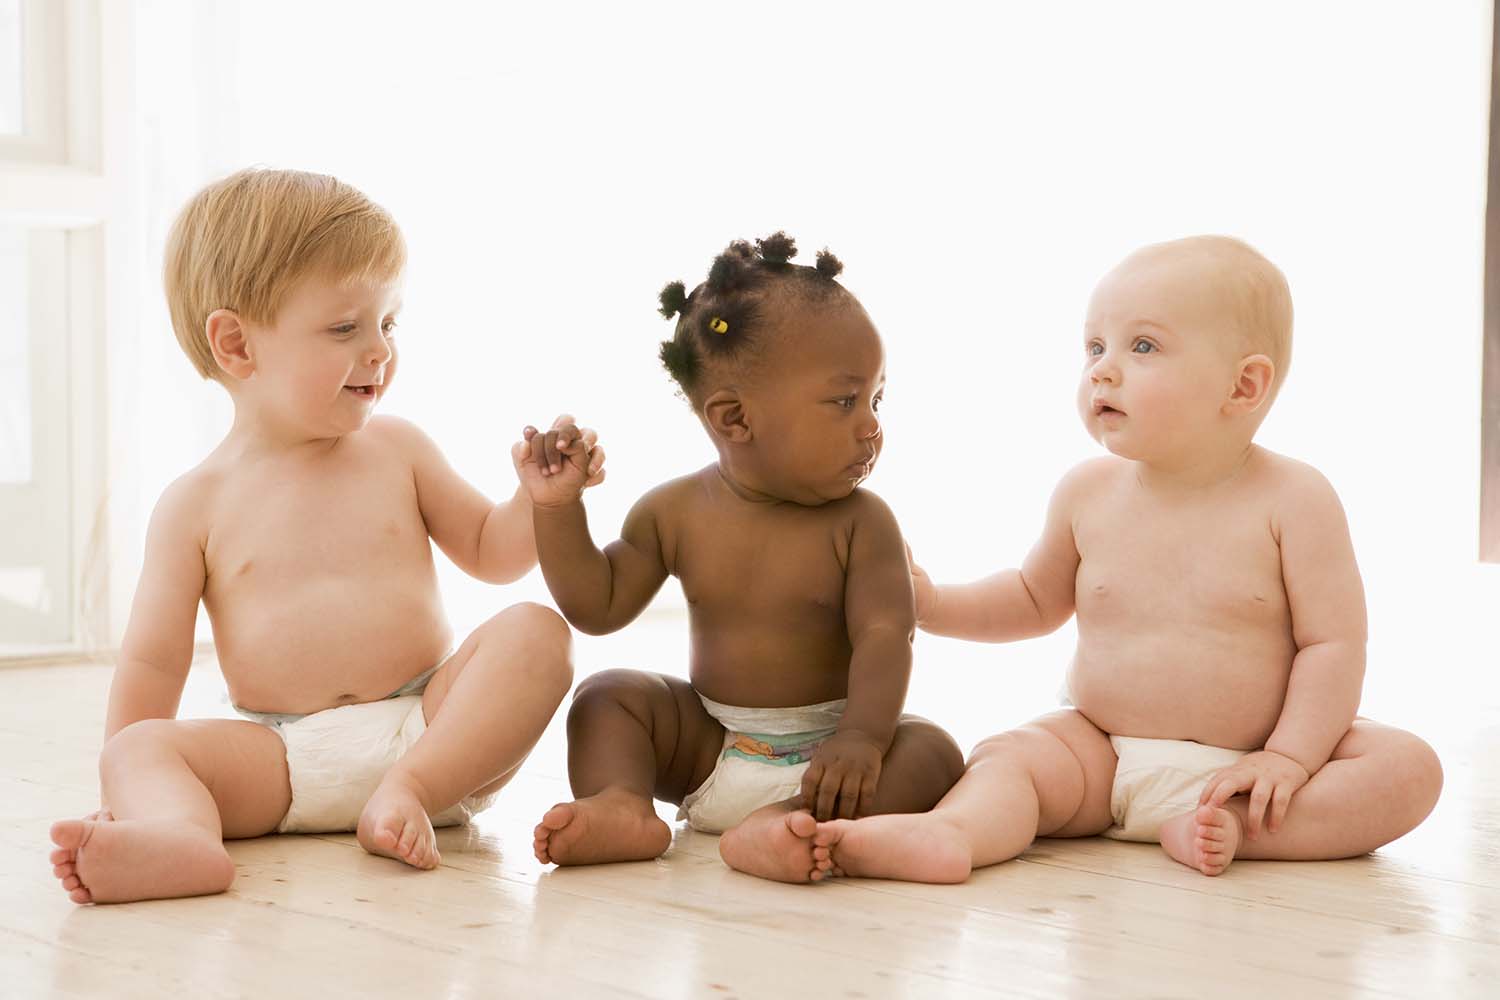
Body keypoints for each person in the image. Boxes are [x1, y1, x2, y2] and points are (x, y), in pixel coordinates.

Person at [810, 235, 1443, 881]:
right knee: (1013, 755)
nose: (1102, 371)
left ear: (1243, 386)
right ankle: (953, 835)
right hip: (1102, 754)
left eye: (1142, 346)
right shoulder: (1087, 491)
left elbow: (1332, 646)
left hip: (1251, 767)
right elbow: (1032, 598)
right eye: (1094, 347)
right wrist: (934, 602)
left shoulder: (1296, 500)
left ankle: (1230, 830)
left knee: (1407, 768)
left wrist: (1289, 758)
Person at [49, 168, 596, 903]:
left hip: (428, 733)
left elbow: (495, 555)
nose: (379, 351)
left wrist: (540, 501)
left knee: (536, 631)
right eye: (345, 327)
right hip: (278, 758)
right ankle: (178, 838)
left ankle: (403, 795)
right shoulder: (194, 504)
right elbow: (152, 663)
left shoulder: (398, 449)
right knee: (138, 747)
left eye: (388, 322)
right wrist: (124, 786)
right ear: (237, 345)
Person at [520, 234, 964, 883]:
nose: (871, 425)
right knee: (607, 696)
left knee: (933, 752)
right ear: (734, 420)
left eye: (876, 398)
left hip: (831, 758)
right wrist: (558, 509)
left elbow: (883, 635)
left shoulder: (864, 524)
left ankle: (785, 824)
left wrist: (862, 740)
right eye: (844, 401)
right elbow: (597, 605)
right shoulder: (672, 511)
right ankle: (620, 804)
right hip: (711, 744)